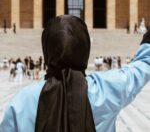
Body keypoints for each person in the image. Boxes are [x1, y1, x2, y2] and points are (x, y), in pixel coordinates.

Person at [1, 15, 150, 132]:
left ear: (47, 50)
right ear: (85, 48)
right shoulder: (108, 90)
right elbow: (144, 64)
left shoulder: (23, 101)